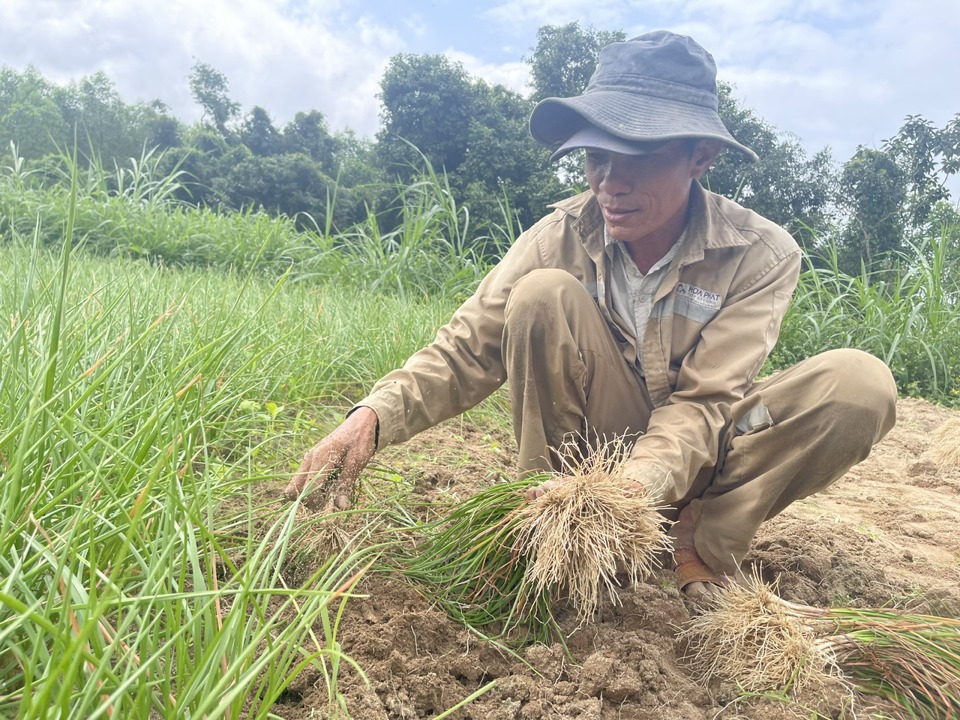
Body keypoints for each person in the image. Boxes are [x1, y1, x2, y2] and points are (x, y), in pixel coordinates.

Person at [284, 30, 898, 598]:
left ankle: (699, 542)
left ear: (701, 156)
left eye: (636, 156)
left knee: (859, 384)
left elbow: (705, 403)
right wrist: (371, 416)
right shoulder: (560, 235)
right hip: (588, 468)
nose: (609, 181)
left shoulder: (759, 254)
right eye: (595, 157)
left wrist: (635, 489)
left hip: (706, 453)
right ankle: (553, 532)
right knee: (541, 295)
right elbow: (468, 348)